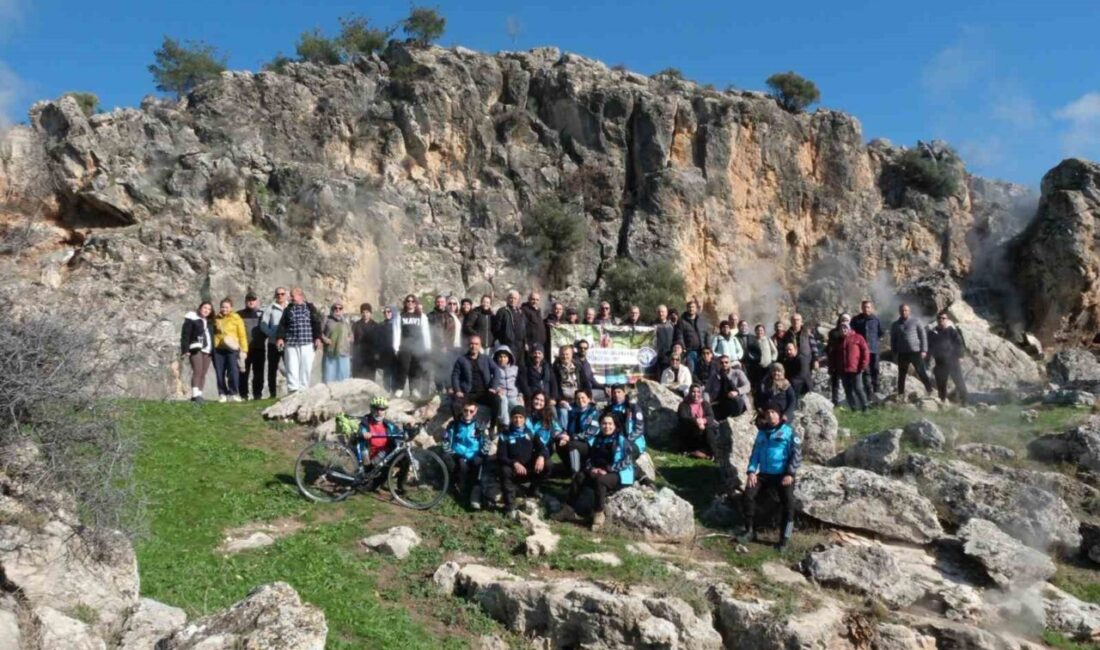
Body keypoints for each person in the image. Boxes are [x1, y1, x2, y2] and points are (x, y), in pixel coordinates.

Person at [739, 402, 802, 550]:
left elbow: (797, 455)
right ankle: (749, 531)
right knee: (748, 495)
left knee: (789, 505)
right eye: (767, 413)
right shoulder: (761, 433)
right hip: (764, 475)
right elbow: (755, 454)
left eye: (773, 412)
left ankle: (784, 539)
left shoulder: (789, 431)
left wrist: (790, 473)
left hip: (783, 475)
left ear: (779, 414)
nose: (770, 415)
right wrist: (751, 471)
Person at [560, 413, 634, 531]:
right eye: (604, 423)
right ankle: (568, 509)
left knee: (601, 481)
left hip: (619, 474)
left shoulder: (621, 440)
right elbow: (590, 458)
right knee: (579, 476)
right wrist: (591, 469)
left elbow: (628, 460)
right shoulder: (597, 439)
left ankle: (599, 514)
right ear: (600, 425)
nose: (607, 426)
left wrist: (609, 469)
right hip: (599, 471)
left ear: (615, 425)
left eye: (610, 424)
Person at [497, 406, 549, 516]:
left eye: (521, 417)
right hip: (514, 471)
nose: (518, 420)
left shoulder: (531, 433)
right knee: (504, 470)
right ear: (511, 418)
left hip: (529, 470)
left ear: (525, 419)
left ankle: (533, 491)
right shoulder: (504, 435)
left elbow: (544, 448)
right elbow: (501, 456)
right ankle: (509, 505)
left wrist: (541, 457)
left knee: (548, 464)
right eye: (515, 417)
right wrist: (514, 463)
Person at [275, 287, 322, 394]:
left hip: (307, 343)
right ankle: (293, 389)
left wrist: (318, 338)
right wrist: (280, 338)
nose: (291, 298)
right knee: (292, 366)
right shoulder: (288, 309)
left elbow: (316, 324)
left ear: (300, 296)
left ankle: (303, 389)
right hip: (291, 343)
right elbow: (282, 325)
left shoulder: (310, 308)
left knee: (306, 367)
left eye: (293, 296)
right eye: (291, 296)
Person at [355, 397, 407, 492]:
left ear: (385, 411)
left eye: (382, 409)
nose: (379, 412)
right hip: (370, 461)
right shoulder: (365, 422)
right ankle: (370, 482)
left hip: (384, 457)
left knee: (405, 457)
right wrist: (363, 433)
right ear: (371, 409)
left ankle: (401, 485)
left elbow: (399, 435)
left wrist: (409, 432)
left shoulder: (389, 425)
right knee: (367, 488)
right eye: (376, 409)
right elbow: (359, 430)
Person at [443, 401, 487, 507]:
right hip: (457, 454)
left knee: (477, 464)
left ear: (475, 412)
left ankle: (472, 494)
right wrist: (455, 454)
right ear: (462, 410)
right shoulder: (454, 424)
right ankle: (457, 490)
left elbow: (486, 442)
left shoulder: (479, 425)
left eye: (471, 411)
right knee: (460, 465)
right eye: (466, 410)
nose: (468, 413)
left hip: (473, 455)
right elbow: (445, 442)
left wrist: (481, 454)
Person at [450, 335, 499, 423]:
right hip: (467, 393)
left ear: (480, 346)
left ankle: (492, 426)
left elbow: (496, 371)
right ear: (468, 345)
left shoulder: (486, 359)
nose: (474, 346)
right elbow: (455, 376)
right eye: (471, 344)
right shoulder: (461, 360)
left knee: (497, 400)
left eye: (476, 344)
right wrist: (457, 390)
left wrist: (493, 387)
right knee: (455, 405)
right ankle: (459, 426)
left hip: (484, 393)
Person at [393, 294, 432, 397]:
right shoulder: (400, 316)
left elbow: (426, 333)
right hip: (404, 346)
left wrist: (427, 347)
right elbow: (397, 332)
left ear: (415, 303)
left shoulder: (421, 316)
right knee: (403, 367)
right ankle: (399, 389)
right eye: (408, 301)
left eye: (412, 301)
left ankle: (414, 389)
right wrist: (396, 347)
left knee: (415, 369)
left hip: (418, 346)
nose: (410, 303)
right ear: (405, 303)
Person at [890, 303, 933, 396]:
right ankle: (901, 394)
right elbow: (893, 339)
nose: (904, 312)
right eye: (902, 310)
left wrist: (924, 350)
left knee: (921, 372)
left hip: (915, 352)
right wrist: (894, 352)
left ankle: (930, 390)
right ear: (899, 312)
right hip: (902, 353)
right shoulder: (895, 325)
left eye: (906, 310)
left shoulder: (916, 321)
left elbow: (923, 336)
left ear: (909, 311)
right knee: (902, 375)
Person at [927, 312, 969, 405]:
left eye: (943, 318)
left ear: (947, 320)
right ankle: (942, 402)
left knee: (959, 382)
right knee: (941, 383)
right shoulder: (932, 333)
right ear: (937, 320)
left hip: (952, 361)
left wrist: (960, 356)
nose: (941, 320)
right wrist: (927, 358)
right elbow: (929, 347)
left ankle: (965, 401)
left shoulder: (952, 331)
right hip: (940, 362)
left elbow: (959, 344)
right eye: (939, 318)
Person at [213, 298, 248, 403]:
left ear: (231, 308)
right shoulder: (216, 318)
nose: (224, 309)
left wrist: (244, 350)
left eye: (227, 307)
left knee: (233, 371)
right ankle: (222, 393)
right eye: (222, 307)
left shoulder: (236, 318)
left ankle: (234, 393)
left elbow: (242, 335)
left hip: (232, 348)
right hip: (218, 349)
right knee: (220, 372)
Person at [557, 389, 599, 473]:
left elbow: (590, 433)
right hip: (576, 440)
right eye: (578, 398)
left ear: (589, 399)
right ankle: (569, 468)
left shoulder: (594, 412)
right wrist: (564, 436)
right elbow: (567, 428)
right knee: (559, 442)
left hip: (590, 443)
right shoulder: (574, 412)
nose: (580, 400)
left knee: (572, 444)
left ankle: (575, 472)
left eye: (583, 398)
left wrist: (571, 437)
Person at [602, 384, 646, 463]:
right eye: (614, 392)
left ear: (624, 393)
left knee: (624, 453)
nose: (616, 395)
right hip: (614, 440)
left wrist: (626, 440)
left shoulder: (633, 408)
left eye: (619, 392)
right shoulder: (609, 409)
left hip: (633, 441)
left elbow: (639, 429)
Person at [180, 301, 214, 403]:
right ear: (200, 308)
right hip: (196, 348)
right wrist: (185, 349)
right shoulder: (192, 318)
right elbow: (185, 334)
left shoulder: (209, 322)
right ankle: (195, 395)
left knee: (203, 373)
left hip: (208, 349)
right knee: (197, 370)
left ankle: (199, 394)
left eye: (209, 309)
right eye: (205, 308)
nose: (206, 310)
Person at [259, 287, 288, 399]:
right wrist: (271, 334)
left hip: (287, 343)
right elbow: (263, 324)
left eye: (282, 294)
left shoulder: (290, 307)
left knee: (290, 366)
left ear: (286, 295)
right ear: (275, 295)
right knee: (272, 368)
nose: (280, 296)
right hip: (273, 343)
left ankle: (292, 390)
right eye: (278, 294)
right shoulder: (270, 308)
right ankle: (272, 394)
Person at [551, 344, 590, 428]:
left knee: (587, 410)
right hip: (563, 400)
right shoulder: (555, 368)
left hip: (578, 399)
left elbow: (585, 382)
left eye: (567, 354)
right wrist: (560, 400)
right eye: (562, 354)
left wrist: (589, 396)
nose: (565, 357)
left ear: (571, 355)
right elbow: (554, 387)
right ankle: (564, 433)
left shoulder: (578, 366)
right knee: (563, 412)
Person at [851, 300, 884, 395]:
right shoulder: (856, 320)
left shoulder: (876, 319)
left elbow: (880, 333)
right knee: (865, 371)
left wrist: (874, 341)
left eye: (868, 307)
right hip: (861, 350)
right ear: (861, 308)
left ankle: (877, 391)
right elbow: (852, 334)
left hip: (874, 349)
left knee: (875, 369)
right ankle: (869, 393)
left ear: (871, 308)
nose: (866, 309)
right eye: (864, 307)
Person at [237, 291, 265, 401]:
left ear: (257, 301)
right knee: (243, 372)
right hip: (243, 349)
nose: (251, 302)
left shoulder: (262, 314)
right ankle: (243, 395)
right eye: (249, 300)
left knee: (258, 373)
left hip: (259, 347)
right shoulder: (238, 314)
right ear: (245, 301)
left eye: (253, 300)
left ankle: (257, 395)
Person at [676, 384, 718, 458]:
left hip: (703, 430)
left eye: (698, 392)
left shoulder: (705, 403)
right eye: (693, 392)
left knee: (710, 430)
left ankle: (714, 454)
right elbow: (683, 417)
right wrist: (696, 421)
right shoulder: (683, 405)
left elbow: (711, 416)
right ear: (689, 393)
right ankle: (703, 453)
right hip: (691, 432)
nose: (696, 394)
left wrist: (703, 421)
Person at [837, 319, 870, 412]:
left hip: (856, 368)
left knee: (858, 388)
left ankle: (865, 407)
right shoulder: (838, 341)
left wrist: (863, 365)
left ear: (849, 328)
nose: (843, 330)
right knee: (847, 390)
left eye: (845, 327)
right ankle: (854, 408)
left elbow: (865, 351)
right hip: (843, 369)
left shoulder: (858, 337)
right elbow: (834, 356)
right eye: (841, 328)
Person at [706, 355, 751, 420]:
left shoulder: (738, 373)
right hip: (720, 402)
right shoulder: (714, 377)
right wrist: (707, 401)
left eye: (726, 362)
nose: (724, 364)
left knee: (737, 400)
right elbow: (706, 391)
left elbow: (747, 386)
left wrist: (737, 391)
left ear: (730, 363)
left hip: (737, 402)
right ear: (718, 364)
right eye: (721, 363)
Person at [493, 291, 527, 371]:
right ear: (507, 299)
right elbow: (497, 328)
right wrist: (504, 339)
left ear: (518, 300)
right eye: (511, 298)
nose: (513, 300)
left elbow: (524, 328)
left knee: (521, 367)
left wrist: (525, 342)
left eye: (515, 298)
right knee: (510, 366)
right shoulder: (502, 311)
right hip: (508, 344)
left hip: (520, 345)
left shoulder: (521, 312)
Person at [674, 299, 710, 373]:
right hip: (689, 351)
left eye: (693, 307)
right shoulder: (682, 321)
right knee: (691, 370)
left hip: (702, 351)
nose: (691, 309)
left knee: (702, 370)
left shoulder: (702, 321)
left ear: (696, 308)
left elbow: (707, 335)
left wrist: (709, 348)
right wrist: (683, 347)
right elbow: (680, 336)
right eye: (689, 307)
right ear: (687, 308)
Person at [321, 302, 353, 384]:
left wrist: (350, 338)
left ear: (342, 310)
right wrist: (325, 339)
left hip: (344, 352)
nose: (337, 310)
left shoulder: (345, 321)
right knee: (330, 378)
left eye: (340, 308)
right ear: (332, 310)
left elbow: (351, 333)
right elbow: (320, 333)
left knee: (344, 379)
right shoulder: (327, 319)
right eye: (335, 308)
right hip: (331, 353)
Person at [491, 345, 521, 428]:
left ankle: (518, 426)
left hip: (513, 395)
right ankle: (505, 424)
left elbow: (519, 383)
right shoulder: (494, 369)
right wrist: (497, 389)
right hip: (501, 394)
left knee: (519, 407)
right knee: (503, 401)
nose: (502, 359)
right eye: (500, 357)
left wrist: (520, 394)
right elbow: (492, 382)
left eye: (505, 357)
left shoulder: (515, 369)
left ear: (509, 358)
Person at [825, 314, 851, 405]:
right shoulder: (833, 333)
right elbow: (830, 347)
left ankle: (850, 401)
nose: (844, 321)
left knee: (848, 382)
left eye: (846, 320)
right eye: (843, 319)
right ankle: (835, 401)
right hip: (836, 360)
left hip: (848, 361)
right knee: (835, 382)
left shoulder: (853, 333)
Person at [745, 324, 778, 398]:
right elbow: (749, 353)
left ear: (764, 331)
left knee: (768, 382)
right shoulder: (753, 341)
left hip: (768, 365)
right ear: (755, 331)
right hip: (757, 366)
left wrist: (772, 360)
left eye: (761, 330)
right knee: (759, 383)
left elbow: (774, 351)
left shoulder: (768, 340)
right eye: (758, 330)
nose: (760, 332)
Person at [352, 303, 379, 381]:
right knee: (357, 379)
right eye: (363, 312)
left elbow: (378, 341)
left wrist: (377, 354)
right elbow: (352, 340)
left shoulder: (376, 326)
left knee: (370, 379)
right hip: (358, 356)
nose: (365, 314)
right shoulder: (356, 325)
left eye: (367, 312)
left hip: (371, 356)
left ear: (370, 313)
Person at [521, 292, 546, 362]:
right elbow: (523, 327)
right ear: (528, 299)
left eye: (537, 300)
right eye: (533, 299)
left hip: (540, 343)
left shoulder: (538, 310)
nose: (535, 301)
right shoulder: (524, 310)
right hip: (530, 344)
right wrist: (525, 342)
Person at [653, 304, 675, 377]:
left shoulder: (672, 325)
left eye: (663, 312)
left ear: (666, 313)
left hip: (669, 355)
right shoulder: (652, 325)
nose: (661, 314)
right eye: (659, 312)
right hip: (657, 356)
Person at [378, 306, 397, 391]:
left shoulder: (397, 325)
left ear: (393, 312)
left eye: (389, 311)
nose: (386, 314)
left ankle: (395, 391)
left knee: (395, 373)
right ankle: (386, 391)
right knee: (386, 373)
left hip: (395, 352)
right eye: (384, 312)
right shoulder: (381, 325)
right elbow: (378, 339)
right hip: (385, 353)